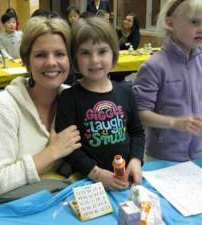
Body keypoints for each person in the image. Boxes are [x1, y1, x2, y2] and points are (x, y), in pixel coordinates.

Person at [0, 16, 81, 220]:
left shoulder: (72, 101)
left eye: (60, 53)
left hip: (37, 200)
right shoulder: (2, 107)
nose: (51, 62)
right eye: (40, 55)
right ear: (26, 61)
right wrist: (52, 152)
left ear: (70, 60)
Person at [56, 17, 145, 190]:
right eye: (85, 53)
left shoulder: (126, 91)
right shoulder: (69, 98)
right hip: (88, 181)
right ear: (74, 57)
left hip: (126, 178)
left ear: (113, 53)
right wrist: (96, 173)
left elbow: (137, 132)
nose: (95, 60)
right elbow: (69, 148)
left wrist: (136, 160)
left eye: (102, 51)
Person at [133, 0, 202, 161]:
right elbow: (140, 112)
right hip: (162, 157)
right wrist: (174, 122)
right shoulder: (154, 66)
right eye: (194, 22)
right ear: (170, 23)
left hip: (201, 152)